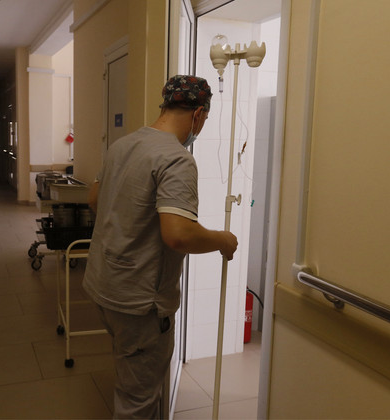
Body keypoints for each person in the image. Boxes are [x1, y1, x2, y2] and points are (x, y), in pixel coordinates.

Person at [83, 75, 238, 419]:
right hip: (139, 303)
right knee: (137, 402)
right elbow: (178, 235)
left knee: (130, 373)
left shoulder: (121, 146)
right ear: (198, 114)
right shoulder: (176, 159)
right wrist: (223, 240)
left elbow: (94, 198)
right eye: (205, 118)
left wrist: (130, 225)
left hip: (103, 285)